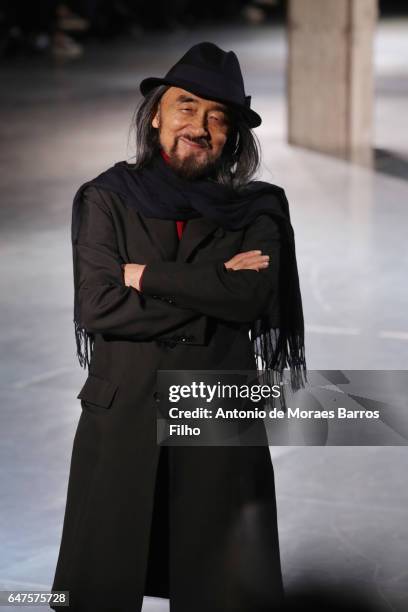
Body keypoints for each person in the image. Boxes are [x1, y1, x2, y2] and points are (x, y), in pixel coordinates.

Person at [50, 41, 306, 612]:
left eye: (218, 117)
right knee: (100, 585)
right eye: (187, 107)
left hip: (217, 408)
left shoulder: (261, 207)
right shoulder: (107, 198)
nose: (201, 125)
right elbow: (98, 305)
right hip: (125, 412)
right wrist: (215, 284)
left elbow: (254, 296)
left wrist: (147, 276)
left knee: (225, 589)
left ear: (234, 135)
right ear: (158, 115)